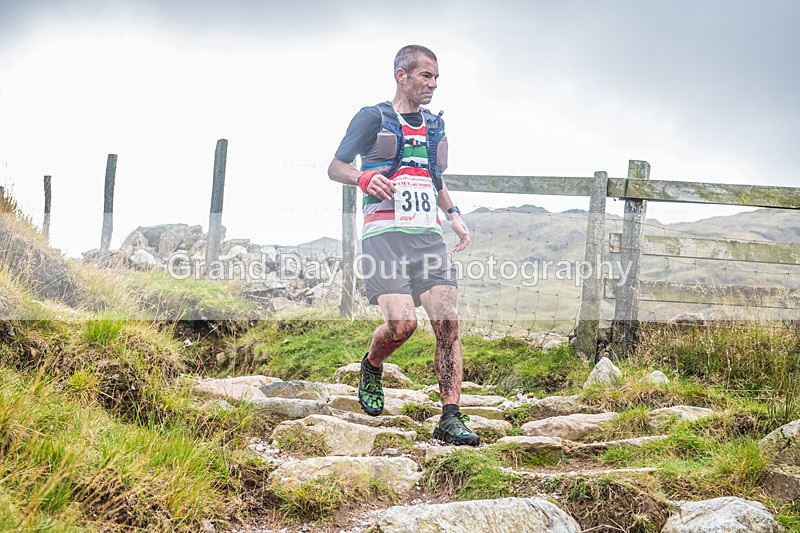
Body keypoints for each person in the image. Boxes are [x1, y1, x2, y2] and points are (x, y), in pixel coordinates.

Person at [327, 44, 479, 446]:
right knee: (402, 326)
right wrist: (362, 179)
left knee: (447, 322)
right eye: (426, 76)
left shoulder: (434, 125)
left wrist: (454, 215)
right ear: (402, 75)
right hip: (383, 239)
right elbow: (335, 167)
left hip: (427, 237)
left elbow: (434, 178)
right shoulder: (372, 117)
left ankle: (450, 417)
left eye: (436, 78)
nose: (433, 84)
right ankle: (372, 364)